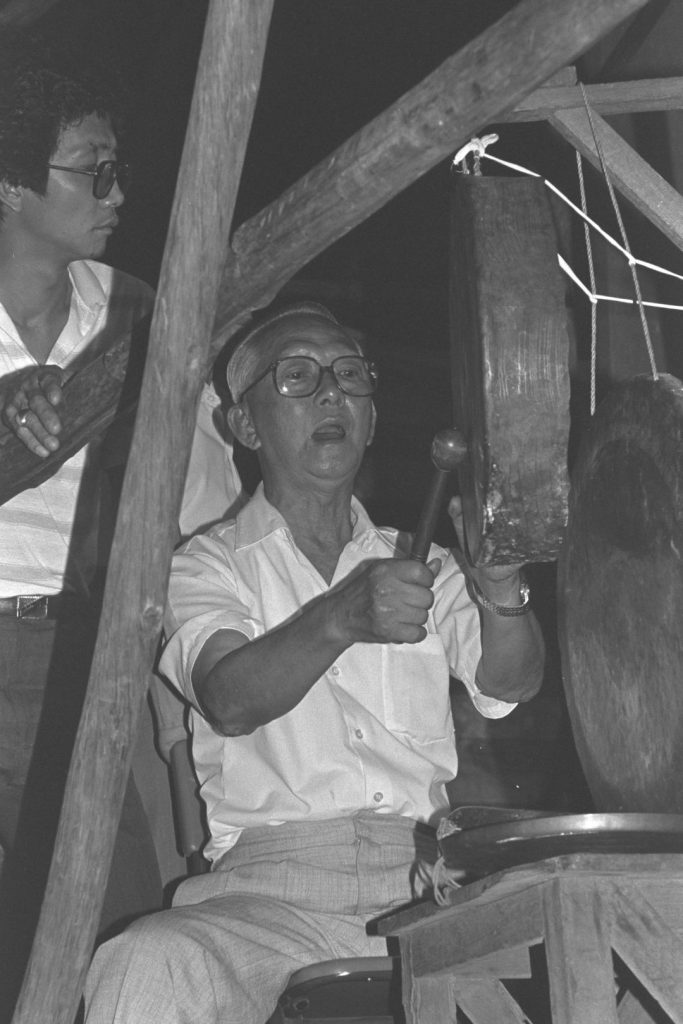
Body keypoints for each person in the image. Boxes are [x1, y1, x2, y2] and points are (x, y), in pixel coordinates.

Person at [84, 300, 545, 1024]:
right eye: (297, 377)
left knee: (573, 948)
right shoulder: (202, 566)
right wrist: (342, 616)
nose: (331, 393)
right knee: (145, 959)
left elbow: (511, 683)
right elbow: (229, 698)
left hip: (426, 885)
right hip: (265, 896)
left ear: (371, 416)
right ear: (244, 424)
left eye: (349, 376)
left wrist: (501, 591)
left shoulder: (423, 562)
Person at [0, 30, 243, 969]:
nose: (117, 196)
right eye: (92, 173)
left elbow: (205, 500)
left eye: (118, 174)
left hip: (82, 653)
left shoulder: (138, 313)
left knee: (113, 929)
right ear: (10, 185)